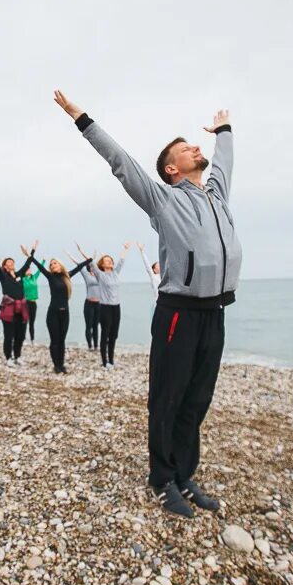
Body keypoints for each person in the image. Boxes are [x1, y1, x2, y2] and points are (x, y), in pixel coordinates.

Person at [55, 89, 240, 520]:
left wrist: (224, 131)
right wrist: (83, 119)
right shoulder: (163, 199)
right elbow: (121, 163)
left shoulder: (217, 195)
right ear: (172, 168)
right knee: (168, 399)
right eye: (186, 148)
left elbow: (225, 162)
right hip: (177, 313)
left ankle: (184, 473)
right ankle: (161, 479)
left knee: (197, 400)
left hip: (215, 314)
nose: (198, 148)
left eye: (197, 145)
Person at [23, 244, 91, 373]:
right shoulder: (50, 276)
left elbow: (79, 267)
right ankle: (56, 365)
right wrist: (29, 254)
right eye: (51, 264)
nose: (53, 265)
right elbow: (38, 265)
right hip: (53, 313)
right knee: (55, 340)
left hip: (65, 313)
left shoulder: (67, 276)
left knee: (62, 340)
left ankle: (62, 364)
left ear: (60, 265)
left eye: (55, 263)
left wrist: (89, 259)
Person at [0, 240, 35, 366]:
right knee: (9, 335)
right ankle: (8, 358)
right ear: (5, 266)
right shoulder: (3, 276)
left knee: (20, 335)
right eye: (8, 262)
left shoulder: (19, 274)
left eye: (12, 262)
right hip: (9, 308)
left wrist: (31, 251)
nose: (11, 263)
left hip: (21, 308)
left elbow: (28, 262)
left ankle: (17, 356)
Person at [77, 241, 128, 369]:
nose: (109, 261)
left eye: (110, 259)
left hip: (117, 307)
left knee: (114, 335)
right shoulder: (100, 275)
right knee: (105, 334)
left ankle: (111, 359)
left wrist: (125, 249)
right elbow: (90, 262)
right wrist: (81, 251)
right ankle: (105, 362)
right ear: (102, 264)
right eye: (106, 260)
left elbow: (121, 261)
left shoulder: (116, 273)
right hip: (105, 308)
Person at [69, 249, 101, 350]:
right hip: (89, 304)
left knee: (96, 326)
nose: (92, 267)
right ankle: (90, 346)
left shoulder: (100, 276)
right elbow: (79, 265)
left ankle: (96, 346)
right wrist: (70, 255)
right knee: (89, 326)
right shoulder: (86, 274)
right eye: (91, 266)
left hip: (98, 304)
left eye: (93, 266)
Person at [22, 265, 41, 343]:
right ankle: (23, 339)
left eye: (29, 269)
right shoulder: (22, 279)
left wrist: (43, 261)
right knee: (24, 322)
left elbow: (40, 270)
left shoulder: (34, 278)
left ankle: (32, 340)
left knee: (32, 322)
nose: (29, 270)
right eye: (27, 269)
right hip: (25, 303)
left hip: (33, 303)